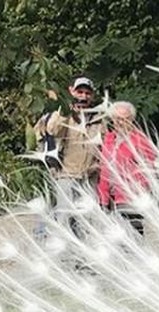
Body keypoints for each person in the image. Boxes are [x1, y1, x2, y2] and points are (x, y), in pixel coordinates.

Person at [45, 76, 104, 236]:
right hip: (67, 174)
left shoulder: (99, 118)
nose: (83, 96)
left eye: (87, 93)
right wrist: (66, 112)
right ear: (72, 91)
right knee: (65, 217)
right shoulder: (64, 114)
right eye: (80, 92)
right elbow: (53, 131)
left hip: (90, 176)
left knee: (88, 219)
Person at [96, 101, 156, 236]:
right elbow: (104, 169)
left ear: (132, 120)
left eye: (125, 119)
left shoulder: (140, 140)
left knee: (131, 236)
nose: (121, 122)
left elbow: (149, 169)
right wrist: (103, 197)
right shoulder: (109, 139)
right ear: (112, 120)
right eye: (117, 119)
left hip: (130, 196)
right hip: (109, 198)